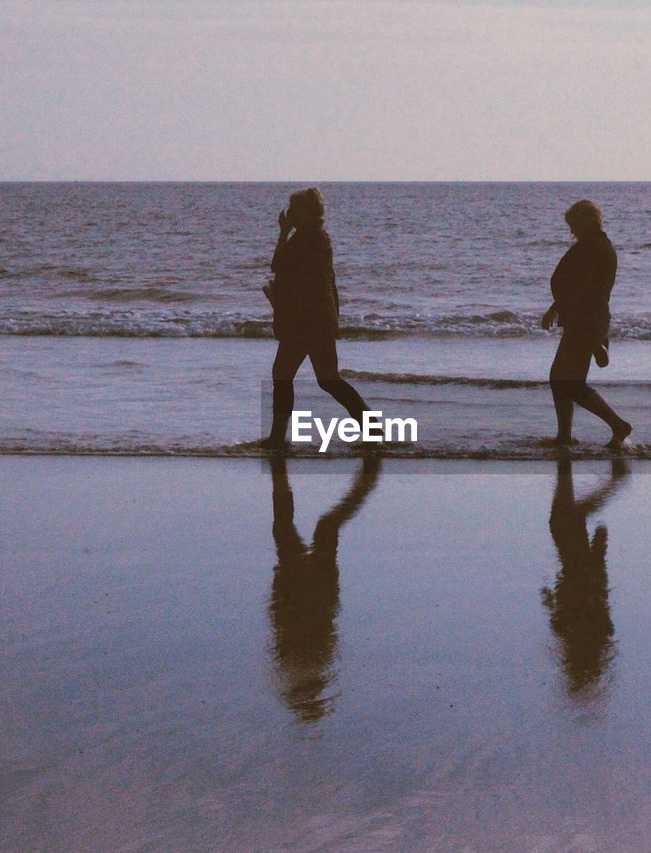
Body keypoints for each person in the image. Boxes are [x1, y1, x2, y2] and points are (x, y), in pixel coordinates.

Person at [268, 455, 381, 722]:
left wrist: (280, 582)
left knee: (310, 527)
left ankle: (280, 471)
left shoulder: (303, 656)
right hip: (311, 584)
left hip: (302, 584)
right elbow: (289, 617)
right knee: (322, 527)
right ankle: (366, 479)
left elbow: (281, 617)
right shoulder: (312, 656)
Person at [262, 187, 370, 449]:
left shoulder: (306, 240)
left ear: (309, 213)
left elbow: (278, 265)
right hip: (317, 319)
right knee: (326, 378)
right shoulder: (319, 239)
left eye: (295, 211)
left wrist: (282, 232)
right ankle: (371, 426)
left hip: (305, 321)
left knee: (286, 374)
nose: (291, 216)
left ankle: (278, 438)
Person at [541, 200, 633, 448]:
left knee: (567, 381)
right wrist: (558, 308)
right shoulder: (596, 245)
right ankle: (564, 436)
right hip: (584, 320)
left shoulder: (595, 247)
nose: (572, 231)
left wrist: (558, 308)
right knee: (562, 380)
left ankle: (617, 425)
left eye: (574, 225)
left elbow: (585, 287)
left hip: (586, 320)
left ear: (588, 221)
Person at [542, 457, 627, 699]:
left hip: (577, 576)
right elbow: (594, 605)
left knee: (564, 520)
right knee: (564, 520)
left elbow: (561, 619)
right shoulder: (587, 637)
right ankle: (575, 469)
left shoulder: (580, 639)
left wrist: (551, 601)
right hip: (579, 577)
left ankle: (575, 469)